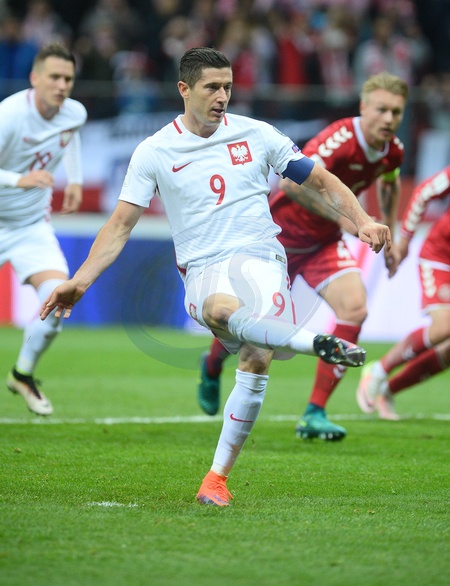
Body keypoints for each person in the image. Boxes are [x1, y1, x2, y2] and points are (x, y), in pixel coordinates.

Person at [40, 47, 390, 507]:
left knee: (258, 356)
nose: (222, 96)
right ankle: (314, 343)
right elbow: (120, 225)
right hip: (203, 267)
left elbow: (320, 180)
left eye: (227, 86)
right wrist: (81, 281)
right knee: (220, 311)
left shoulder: (257, 134)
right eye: (212, 87)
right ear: (184, 89)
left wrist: (362, 220)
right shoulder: (154, 151)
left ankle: (216, 479)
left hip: (264, 259)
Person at [198, 71, 408, 441]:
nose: (389, 119)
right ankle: (212, 364)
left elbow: (390, 182)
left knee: (355, 308)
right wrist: (346, 219)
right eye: (381, 110)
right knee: (247, 323)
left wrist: (390, 230)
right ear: (363, 107)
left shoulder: (393, 150)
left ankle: (314, 413)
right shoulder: (340, 140)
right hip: (276, 240)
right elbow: (291, 184)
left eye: (396, 112)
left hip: (322, 244)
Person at [1, 42, 87, 415]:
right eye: (54, 77)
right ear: (35, 78)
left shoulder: (74, 112)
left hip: (31, 226)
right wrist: (17, 180)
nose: (62, 85)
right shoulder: (9, 116)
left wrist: (75, 179)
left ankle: (22, 374)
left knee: (57, 299)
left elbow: (70, 134)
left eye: (68, 78)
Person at [357, 165, 450, 420]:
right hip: (441, 257)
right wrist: (405, 241)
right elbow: (423, 193)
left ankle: (387, 390)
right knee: (445, 326)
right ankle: (378, 370)